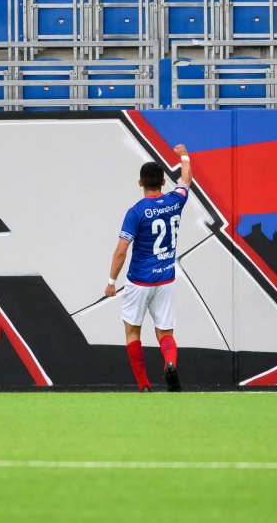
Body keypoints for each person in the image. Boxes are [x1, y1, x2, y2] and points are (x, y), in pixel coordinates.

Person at [105, 145, 192, 392]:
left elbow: (121, 250)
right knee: (165, 332)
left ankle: (144, 385)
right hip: (165, 280)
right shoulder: (175, 201)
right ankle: (170, 362)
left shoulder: (136, 212)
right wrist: (183, 155)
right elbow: (186, 179)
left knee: (133, 332)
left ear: (140, 182)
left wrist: (111, 282)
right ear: (164, 181)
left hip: (139, 281)